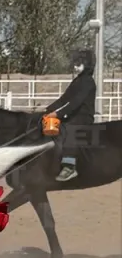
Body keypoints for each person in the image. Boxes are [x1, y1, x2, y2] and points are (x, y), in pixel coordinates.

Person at [43, 48, 96, 182]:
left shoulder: (88, 82)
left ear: (87, 64)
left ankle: (69, 166)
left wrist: (57, 114)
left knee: (70, 130)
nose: (75, 67)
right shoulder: (77, 81)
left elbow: (75, 103)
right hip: (73, 115)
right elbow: (64, 99)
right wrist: (47, 110)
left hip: (84, 117)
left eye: (78, 64)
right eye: (74, 64)